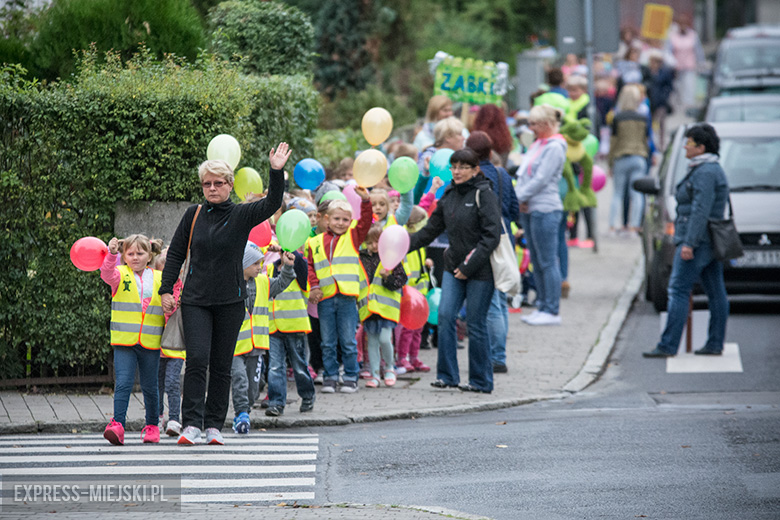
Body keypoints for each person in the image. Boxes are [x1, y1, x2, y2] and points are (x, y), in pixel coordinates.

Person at [160, 143, 291, 446]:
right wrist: (167, 289)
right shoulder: (192, 215)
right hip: (196, 301)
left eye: (219, 183)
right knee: (196, 360)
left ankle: (214, 426)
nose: (212, 188)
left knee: (221, 365)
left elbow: (272, 202)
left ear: (230, 185)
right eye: (207, 183)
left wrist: (276, 171)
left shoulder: (242, 215)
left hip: (231, 302)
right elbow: (177, 253)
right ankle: (192, 424)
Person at [408, 148, 501, 394]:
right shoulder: (449, 193)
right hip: (453, 267)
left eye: (463, 167)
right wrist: (402, 246)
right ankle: (448, 376)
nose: (457, 172)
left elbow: (491, 237)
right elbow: (430, 230)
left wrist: (468, 267)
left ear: (475, 170)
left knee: (476, 323)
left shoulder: (484, 194)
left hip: (479, 270)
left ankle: (481, 381)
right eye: (454, 167)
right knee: (447, 316)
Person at [644, 124, 729, 358]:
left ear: (701, 147)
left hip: (698, 240)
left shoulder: (705, 172)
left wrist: (689, 244)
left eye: (689, 143)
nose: (685, 146)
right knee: (715, 291)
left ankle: (668, 345)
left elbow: (700, 211)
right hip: (707, 239)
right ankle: (714, 343)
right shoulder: (706, 168)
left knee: (678, 289)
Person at [100, 234, 165, 445]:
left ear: (149, 256)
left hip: (151, 340)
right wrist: (111, 254)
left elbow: (168, 298)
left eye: (140, 253)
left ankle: (152, 426)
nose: (135, 257)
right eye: (130, 253)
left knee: (150, 386)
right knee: (124, 383)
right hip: (125, 341)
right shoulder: (119, 273)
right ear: (124, 256)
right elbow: (106, 273)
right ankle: (117, 425)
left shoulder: (158, 277)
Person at [307, 192, 372, 394]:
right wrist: (315, 286)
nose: (341, 223)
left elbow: (366, 222)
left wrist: (366, 201)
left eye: (345, 219)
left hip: (346, 298)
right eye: (336, 218)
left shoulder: (353, 237)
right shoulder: (314, 242)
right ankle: (330, 377)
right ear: (327, 219)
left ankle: (351, 377)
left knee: (348, 341)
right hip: (325, 298)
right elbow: (311, 267)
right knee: (327, 341)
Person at [465, 131, 519, 373]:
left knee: (492, 304)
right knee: (500, 299)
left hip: (483, 242)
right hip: (504, 240)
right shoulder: (501, 174)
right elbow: (515, 210)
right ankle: (499, 353)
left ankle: (496, 357)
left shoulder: (473, 178)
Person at [515, 105, 567, 326]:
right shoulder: (538, 143)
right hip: (530, 205)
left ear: (546, 125)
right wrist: (522, 197)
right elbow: (524, 172)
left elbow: (541, 178)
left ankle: (551, 308)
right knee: (537, 259)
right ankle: (543, 304)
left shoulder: (554, 147)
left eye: (534, 124)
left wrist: (517, 197)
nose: (531, 128)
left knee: (547, 260)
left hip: (545, 207)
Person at [265, 247, 314, 417]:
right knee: (275, 366)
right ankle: (276, 403)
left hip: (294, 325)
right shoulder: (270, 268)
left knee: (299, 364)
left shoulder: (298, 266)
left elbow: (299, 261)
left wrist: (285, 249)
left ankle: (308, 395)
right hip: (274, 327)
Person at [358, 224, 408, 388]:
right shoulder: (361, 258)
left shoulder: (392, 257)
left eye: (377, 242)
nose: (373, 246)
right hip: (369, 307)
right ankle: (374, 374)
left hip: (386, 308)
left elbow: (401, 280)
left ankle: (389, 367)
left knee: (385, 339)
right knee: (371, 342)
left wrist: (388, 278)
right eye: (370, 242)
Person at [608, 84, 650, 235]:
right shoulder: (643, 118)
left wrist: (610, 162)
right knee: (637, 194)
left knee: (617, 193)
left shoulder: (617, 118)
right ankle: (633, 227)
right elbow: (646, 139)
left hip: (621, 156)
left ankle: (612, 226)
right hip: (639, 156)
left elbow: (613, 142)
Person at [396, 206, 433, 371]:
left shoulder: (421, 244)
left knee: (418, 328)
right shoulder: (405, 241)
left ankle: (414, 357)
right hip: (409, 294)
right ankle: (402, 358)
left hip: (421, 293)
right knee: (407, 329)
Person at [154, 247, 184, 437]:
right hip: (156, 344)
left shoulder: (184, 288)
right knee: (156, 384)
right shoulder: (154, 286)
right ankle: (156, 418)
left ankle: (174, 419)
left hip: (176, 345)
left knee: (172, 382)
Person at [666, 13, 704, 109]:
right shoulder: (672, 36)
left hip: (689, 67)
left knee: (689, 88)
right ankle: (679, 108)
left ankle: (689, 108)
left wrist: (701, 64)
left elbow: (698, 51)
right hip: (677, 68)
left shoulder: (693, 35)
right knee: (678, 89)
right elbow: (668, 51)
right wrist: (671, 62)